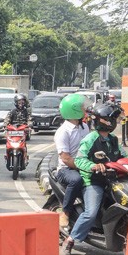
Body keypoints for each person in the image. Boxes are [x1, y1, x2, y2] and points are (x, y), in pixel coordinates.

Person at [62, 103, 128, 255]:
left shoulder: (113, 139)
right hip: (94, 181)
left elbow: (123, 157)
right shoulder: (90, 139)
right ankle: (71, 239)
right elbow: (79, 160)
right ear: (106, 121)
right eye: (114, 118)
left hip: (114, 179)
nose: (116, 121)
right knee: (91, 212)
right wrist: (94, 166)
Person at [53, 94, 91, 229]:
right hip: (66, 169)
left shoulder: (85, 127)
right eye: (82, 107)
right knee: (76, 180)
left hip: (83, 165)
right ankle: (66, 212)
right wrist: (87, 167)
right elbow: (66, 158)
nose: (84, 109)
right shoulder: (62, 132)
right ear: (74, 109)